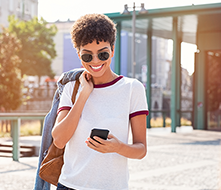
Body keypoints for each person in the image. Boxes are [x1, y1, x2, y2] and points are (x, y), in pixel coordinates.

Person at [51, 13, 149, 190]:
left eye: (102, 54)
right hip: (69, 185)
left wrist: (118, 147)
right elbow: (59, 140)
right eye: (87, 56)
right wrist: (83, 95)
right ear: (79, 54)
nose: (95, 61)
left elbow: (141, 149)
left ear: (112, 49)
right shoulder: (72, 87)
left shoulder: (132, 88)